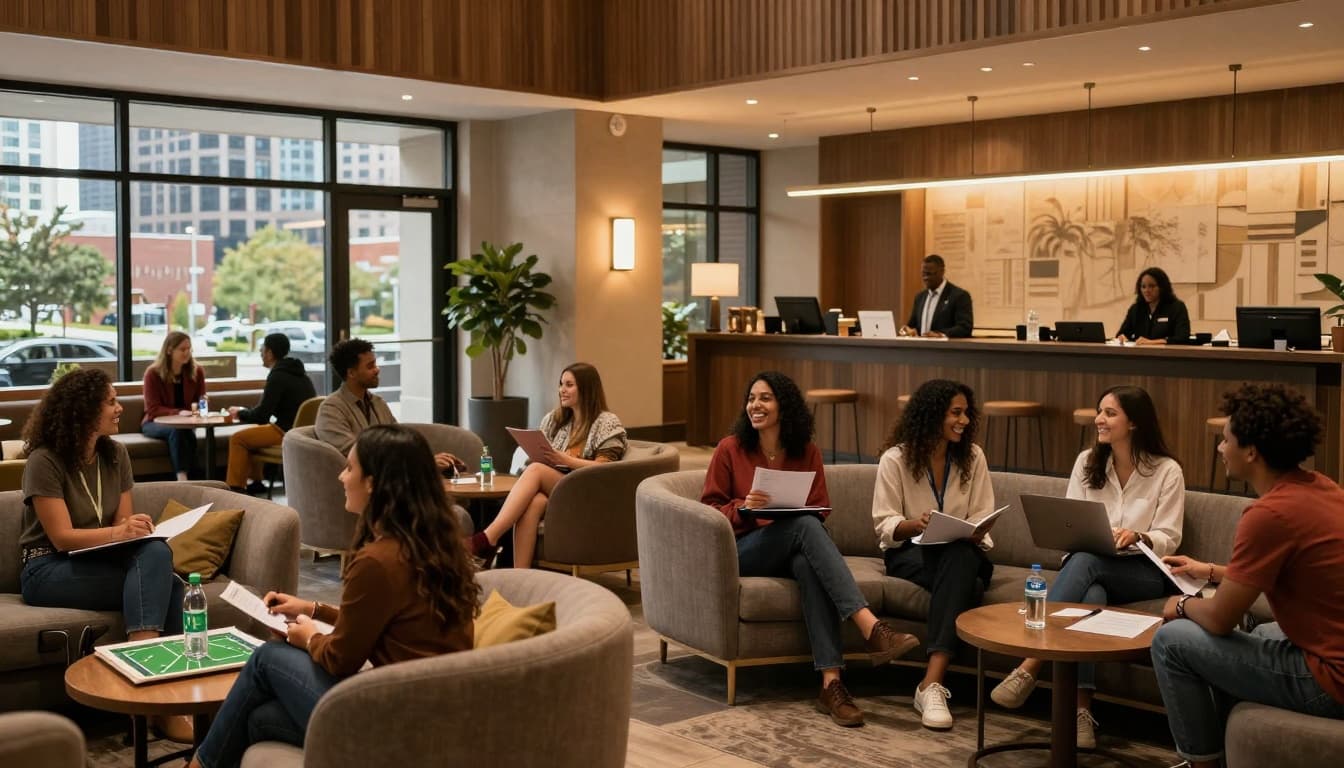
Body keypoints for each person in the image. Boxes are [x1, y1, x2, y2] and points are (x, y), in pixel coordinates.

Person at [187, 424, 478, 768]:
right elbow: (385, 624)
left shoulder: (378, 560)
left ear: (373, 483)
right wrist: (314, 609)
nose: (341, 477)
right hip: (433, 713)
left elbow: (342, 658)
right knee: (259, 719)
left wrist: (307, 637)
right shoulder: (435, 544)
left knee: (267, 656)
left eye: (349, 467)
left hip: (392, 720)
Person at [700, 370, 919, 727]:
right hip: (744, 550)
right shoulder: (730, 449)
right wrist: (743, 508)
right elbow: (708, 509)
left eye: (765, 398)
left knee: (807, 560)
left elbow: (821, 506)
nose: (755, 404)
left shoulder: (807, 452)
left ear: (784, 406)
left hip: (791, 548)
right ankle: (871, 628)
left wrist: (792, 510)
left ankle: (831, 684)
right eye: (752, 398)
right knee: (804, 526)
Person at [1150, 384, 1344, 768]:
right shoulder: (1321, 486)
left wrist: (1182, 604)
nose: (1220, 449)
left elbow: (1220, 619)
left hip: (1332, 684)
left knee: (1172, 639)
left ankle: (1200, 761)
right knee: (1264, 632)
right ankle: (1222, 746)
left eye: (1226, 440)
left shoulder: (1268, 515)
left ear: (1251, 451)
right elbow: (1289, 570)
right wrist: (1209, 571)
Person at [991, 384, 1184, 748]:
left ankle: (1030, 663)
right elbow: (1068, 522)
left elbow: (1169, 536)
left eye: (1110, 413)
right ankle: (1081, 713)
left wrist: (1138, 535)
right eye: (1100, 411)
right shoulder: (1087, 462)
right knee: (1090, 591)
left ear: (1135, 423)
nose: (1099, 419)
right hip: (1090, 566)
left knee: (1086, 563)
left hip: (1141, 572)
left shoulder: (1166, 470)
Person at [20, 368, 190, 740]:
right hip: (46, 568)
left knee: (158, 559)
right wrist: (120, 532)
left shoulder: (115, 455)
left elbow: (124, 528)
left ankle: (155, 698)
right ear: (83, 409)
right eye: (110, 401)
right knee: (169, 586)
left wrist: (133, 531)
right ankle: (153, 691)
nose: (119, 408)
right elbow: (62, 538)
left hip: (99, 562)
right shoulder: (44, 461)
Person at [871, 379, 996, 730]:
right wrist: (916, 524)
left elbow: (982, 513)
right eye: (955, 413)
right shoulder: (895, 459)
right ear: (931, 416)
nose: (964, 420)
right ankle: (933, 683)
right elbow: (884, 524)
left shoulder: (973, 457)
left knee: (959, 555)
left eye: (966, 413)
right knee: (966, 587)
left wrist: (973, 530)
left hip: (963, 551)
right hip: (911, 552)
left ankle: (930, 683)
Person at [467, 362, 627, 569]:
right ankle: (521, 576)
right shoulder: (556, 420)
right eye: (561, 384)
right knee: (535, 502)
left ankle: (487, 538)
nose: (562, 390)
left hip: (590, 492)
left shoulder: (607, 422)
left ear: (586, 389)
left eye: (569, 385)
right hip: (559, 489)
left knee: (535, 471)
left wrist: (565, 460)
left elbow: (605, 470)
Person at [314, 337, 462, 474]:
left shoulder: (378, 403)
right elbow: (358, 453)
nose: (377, 369)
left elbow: (399, 440)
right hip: (369, 483)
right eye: (370, 366)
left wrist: (430, 460)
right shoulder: (331, 409)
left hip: (393, 475)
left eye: (375, 364)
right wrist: (424, 464)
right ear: (351, 373)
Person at [225, 332, 317, 495]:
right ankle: (257, 482)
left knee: (238, 439)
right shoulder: (300, 374)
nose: (261, 353)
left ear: (269, 352)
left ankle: (234, 489)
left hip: (285, 431)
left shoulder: (277, 376)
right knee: (252, 438)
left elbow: (262, 416)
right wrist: (247, 412)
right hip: (303, 433)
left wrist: (239, 413)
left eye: (262, 349)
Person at [141, 331, 206, 481]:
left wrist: (203, 405)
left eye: (189, 349)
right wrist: (178, 412)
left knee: (185, 432)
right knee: (179, 431)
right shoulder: (153, 374)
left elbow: (201, 399)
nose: (187, 353)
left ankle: (196, 479)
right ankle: (182, 477)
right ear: (169, 350)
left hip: (187, 422)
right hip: (154, 422)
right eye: (182, 349)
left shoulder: (197, 371)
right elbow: (152, 409)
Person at [900, 254, 973, 338]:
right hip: (920, 349)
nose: (925, 278)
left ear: (942, 272)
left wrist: (940, 335)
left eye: (929, 274)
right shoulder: (920, 297)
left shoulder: (959, 296)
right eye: (923, 274)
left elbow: (965, 328)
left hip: (944, 349)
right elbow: (912, 326)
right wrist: (907, 330)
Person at [1115, 266, 1191, 345]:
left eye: (1151, 286)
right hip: (1139, 355)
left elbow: (1182, 338)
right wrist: (1122, 338)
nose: (1146, 290)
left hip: (1167, 355)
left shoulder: (1177, 307)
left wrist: (1152, 342)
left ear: (1162, 287)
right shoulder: (1136, 309)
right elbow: (1122, 334)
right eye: (1143, 287)